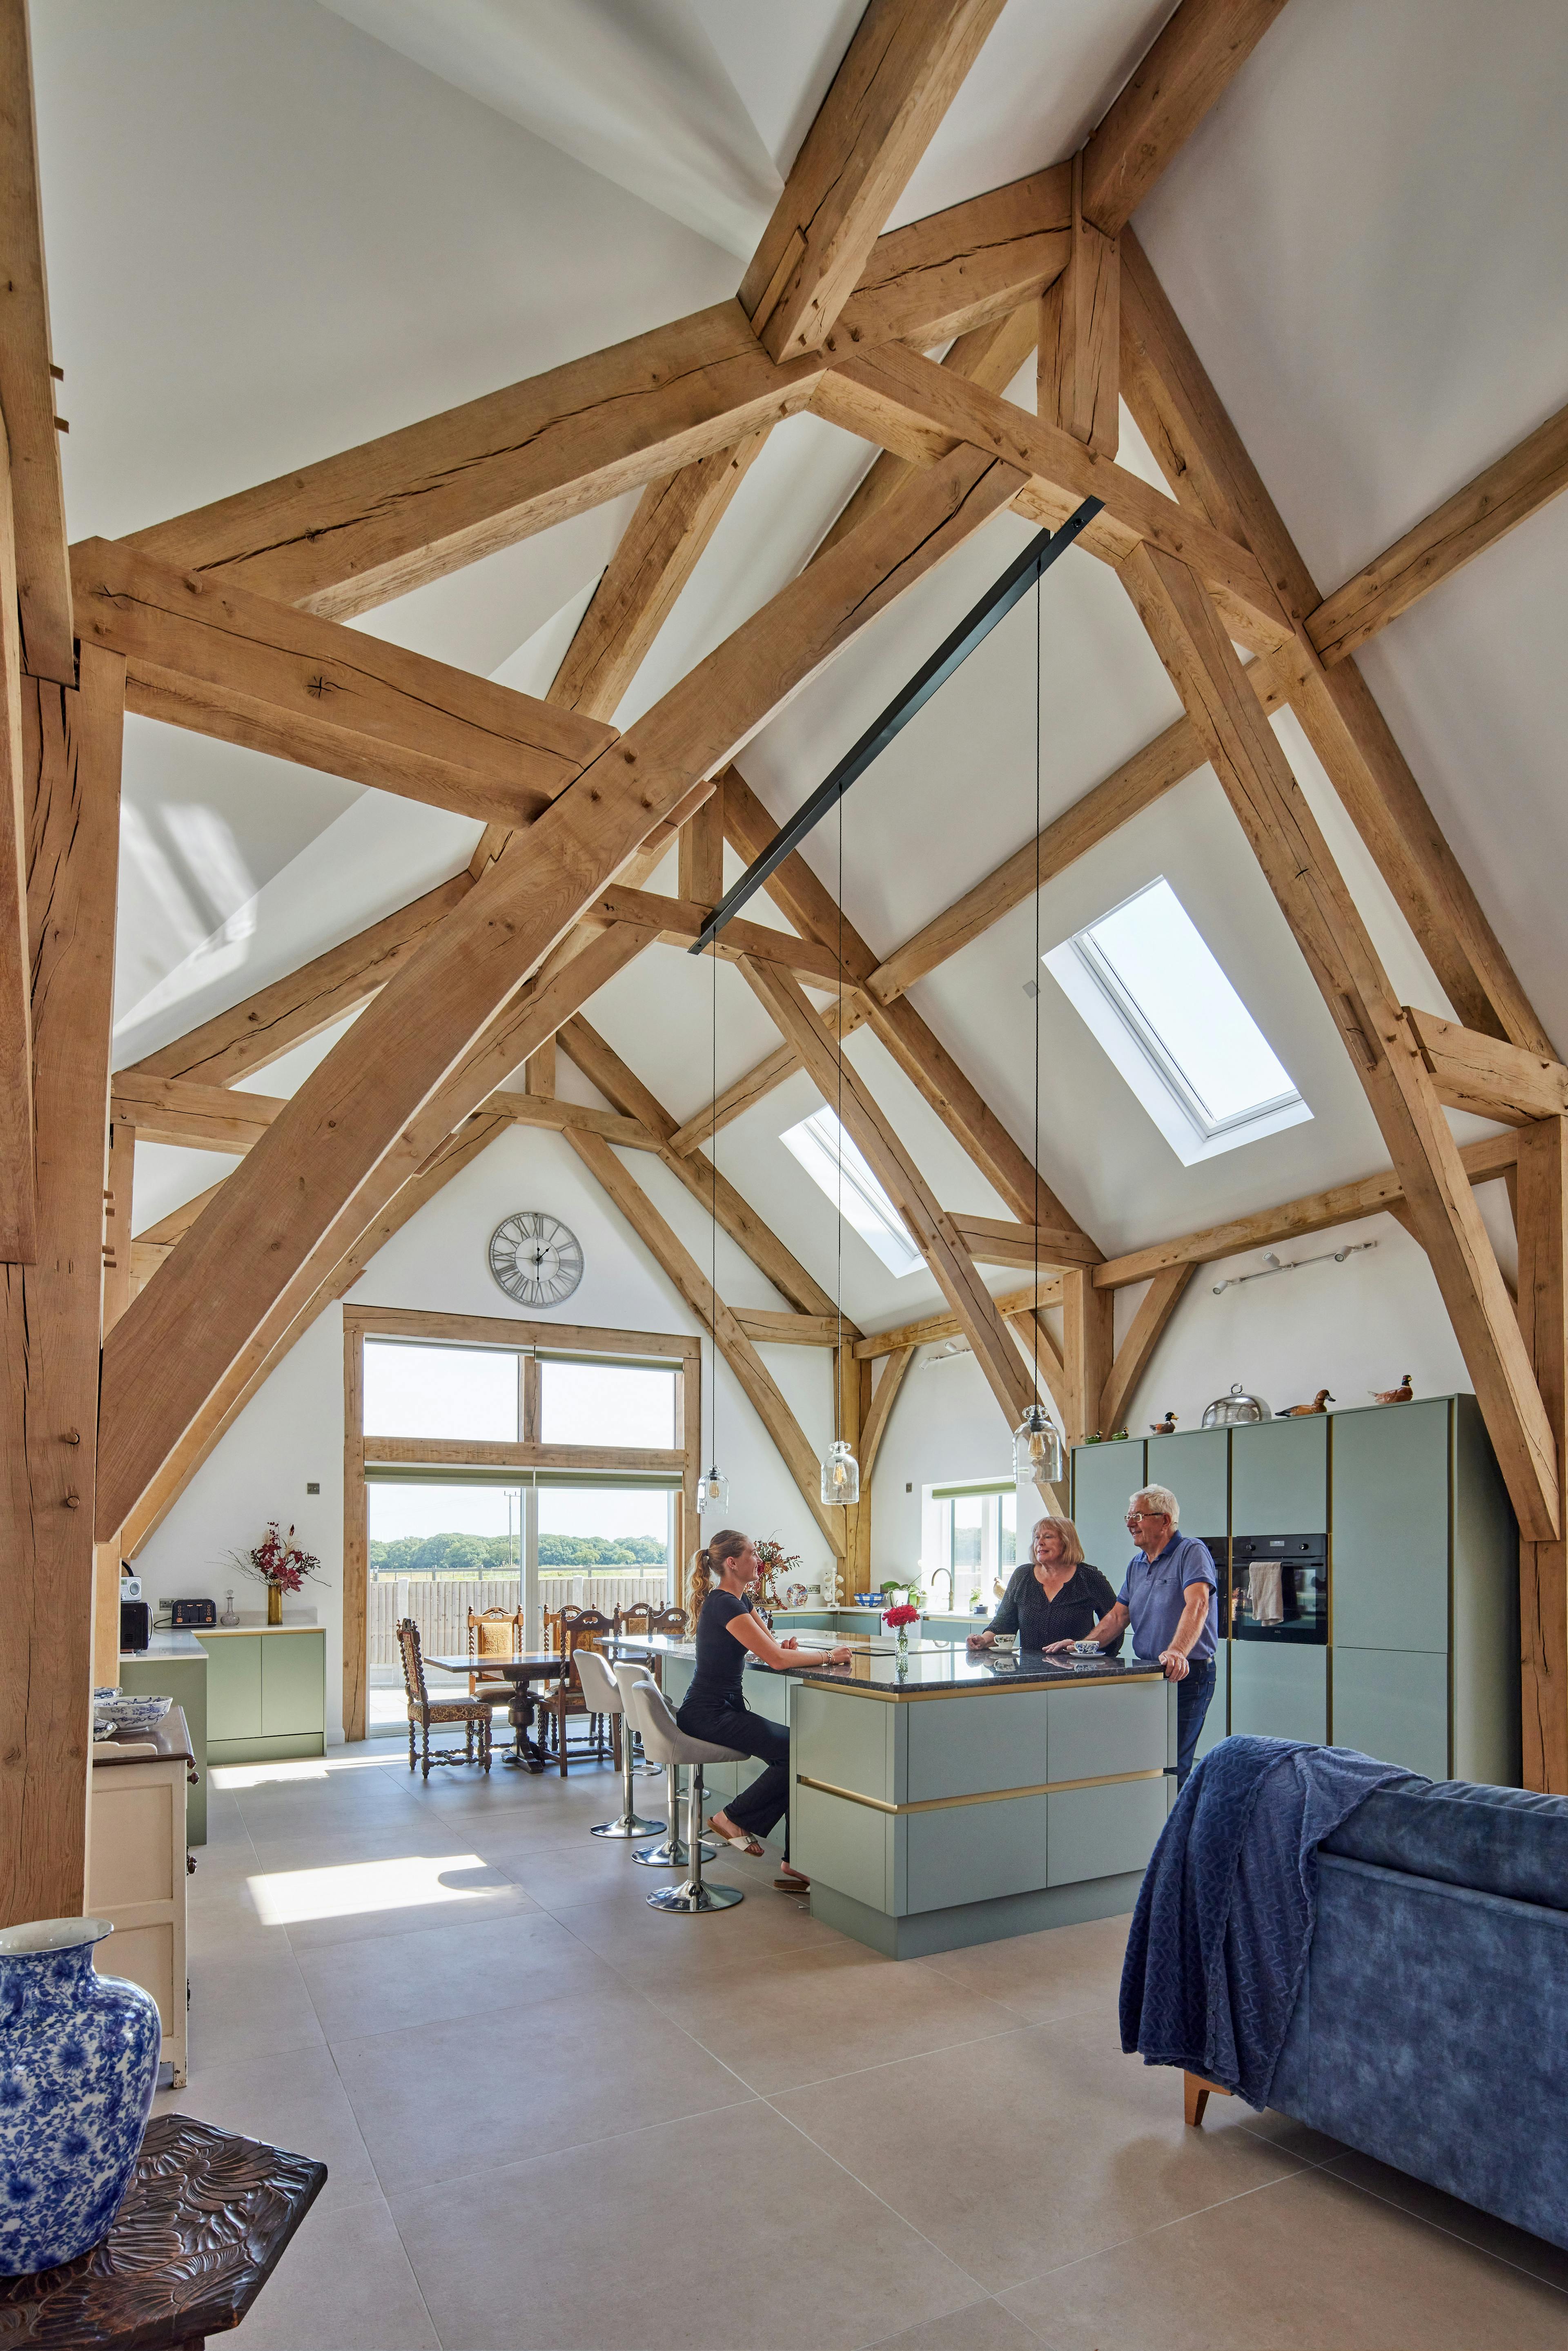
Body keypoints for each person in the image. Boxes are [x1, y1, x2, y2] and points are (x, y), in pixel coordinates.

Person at [675, 1529, 853, 1893]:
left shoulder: (741, 1601)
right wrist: (828, 1656)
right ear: (732, 1562)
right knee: (798, 1750)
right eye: (753, 1554)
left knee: (798, 1752)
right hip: (709, 1713)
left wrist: (788, 1647)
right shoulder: (724, 1603)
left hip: (723, 1709)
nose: (759, 1560)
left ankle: (795, 1858)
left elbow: (773, 1648)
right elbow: (776, 1660)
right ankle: (732, 1818)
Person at [1047, 1484, 1218, 1787]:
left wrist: (1177, 1651)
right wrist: (1082, 1646)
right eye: (1128, 1517)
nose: (1130, 1524)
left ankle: (1177, 1818)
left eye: (1138, 1516)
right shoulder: (1136, 1565)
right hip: (1148, 1673)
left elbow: (1198, 1604)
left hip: (1187, 1675)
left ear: (1165, 1520)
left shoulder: (1191, 1551)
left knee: (1173, 1764)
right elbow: (1118, 1617)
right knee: (1146, 1762)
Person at [966, 1516, 1121, 1653]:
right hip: (1031, 1669)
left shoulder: (1089, 1577)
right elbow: (1003, 1624)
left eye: (1048, 1537)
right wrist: (982, 1641)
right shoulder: (1022, 1575)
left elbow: (1116, 1623)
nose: (1040, 1542)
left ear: (1066, 1542)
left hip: (1077, 1669)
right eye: (1037, 1537)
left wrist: (1090, 1651)